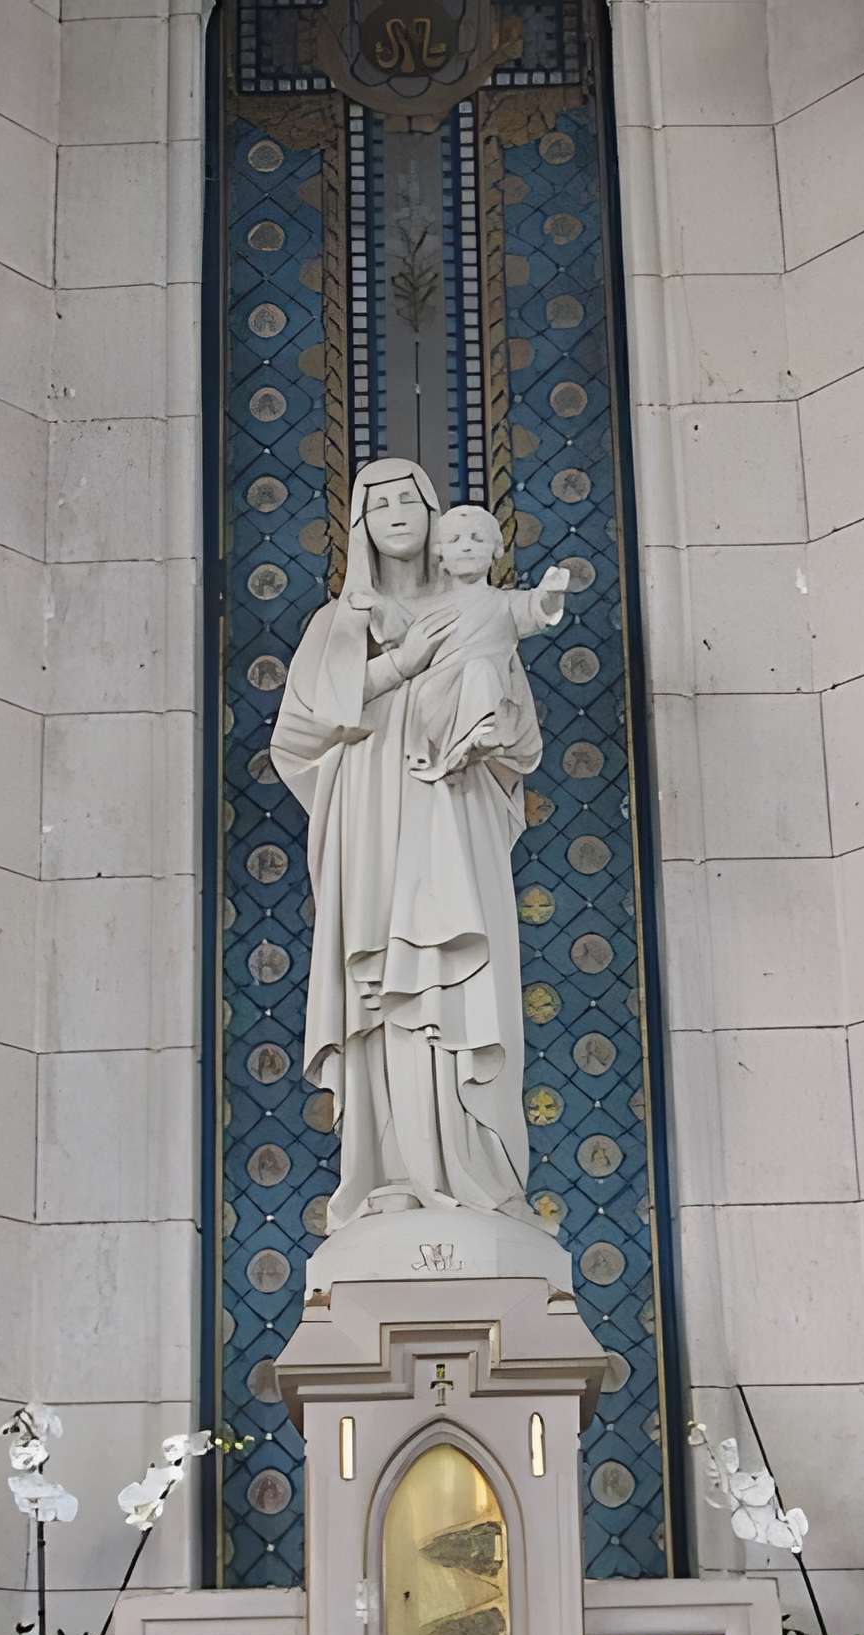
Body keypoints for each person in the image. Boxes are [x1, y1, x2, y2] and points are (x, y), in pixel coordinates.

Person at [270, 461, 573, 1237]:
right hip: (370, 813)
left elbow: (520, 737)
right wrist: (398, 667)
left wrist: (488, 727)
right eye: (381, 505)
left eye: (411, 499)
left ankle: (479, 1176)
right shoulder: (337, 625)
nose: (398, 514)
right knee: (381, 983)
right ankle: (391, 1173)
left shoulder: (479, 611)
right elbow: (298, 732)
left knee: (459, 974)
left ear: (436, 516)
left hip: (453, 807)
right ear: (360, 527)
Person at [371, 503, 571, 784]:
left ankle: (482, 734)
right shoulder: (426, 604)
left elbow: (538, 611)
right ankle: (472, 738)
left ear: (497, 550)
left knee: (481, 670)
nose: (466, 547)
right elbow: (393, 626)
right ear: (439, 552)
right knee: (476, 673)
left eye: (477, 539)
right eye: (454, 540)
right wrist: (373, 607)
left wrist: (551, 594)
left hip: (485, 690)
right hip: (434, 696)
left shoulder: (505, 603)